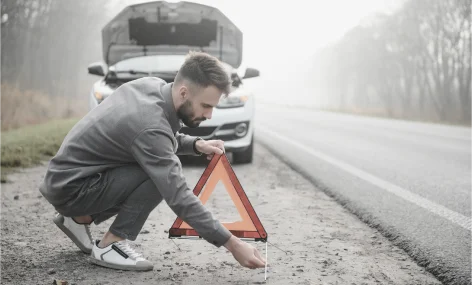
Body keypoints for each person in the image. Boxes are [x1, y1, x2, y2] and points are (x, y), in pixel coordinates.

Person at [39, 51, 266, 271]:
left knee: (155, 166)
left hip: (67, 180)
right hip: (73, 189)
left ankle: (79, 219)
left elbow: (153, 135)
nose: (209, 115)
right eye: (206, 106)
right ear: (184, 92)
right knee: (159, 177)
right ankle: (110, 244)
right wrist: (232, 244)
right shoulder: (150, 126)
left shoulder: (152, 86)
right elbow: (177, 194)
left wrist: (196, 144)